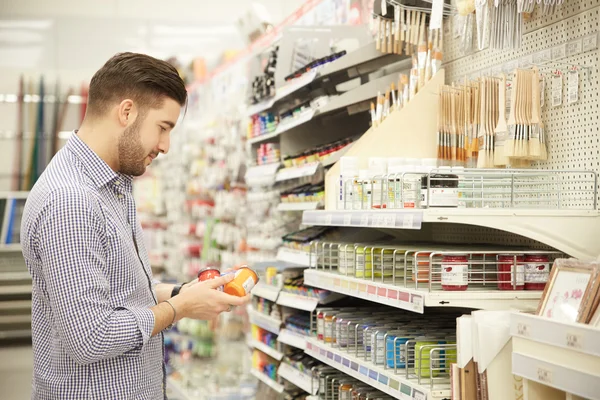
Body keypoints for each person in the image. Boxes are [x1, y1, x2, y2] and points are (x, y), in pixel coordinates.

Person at [20, 52, 251, 399]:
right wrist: (179, 309)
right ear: (127, 112)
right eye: (163, 128)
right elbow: (90, 338)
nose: (166, 146)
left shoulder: (113, 185)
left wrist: (180, 293)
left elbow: (120, 292)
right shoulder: (71, 201)